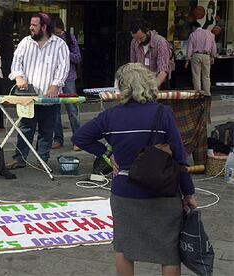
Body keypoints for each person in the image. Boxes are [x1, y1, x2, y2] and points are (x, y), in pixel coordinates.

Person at [72, 63, 198, 276]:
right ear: (148, 84)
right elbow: (179, 157)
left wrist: (106, 153)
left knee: (124, 248)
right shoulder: (163, 113)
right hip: (164, 191)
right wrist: (189, 193)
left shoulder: (111, 116)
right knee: (169, 252)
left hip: (125, 191)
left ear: (121, 87)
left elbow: (80, 137)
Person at [6, 13, 70, 169]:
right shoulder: (25, 43)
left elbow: (63, 67)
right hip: (28, 96)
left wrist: (56, 85)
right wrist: (18, 77)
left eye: (34, 25)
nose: (31, 28)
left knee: (46, 130)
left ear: (44, 27)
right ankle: (19, 158)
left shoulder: (60, 45)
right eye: (31, 24)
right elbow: (16, 64)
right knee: (25, 128)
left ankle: (42, 159)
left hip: (49, 97)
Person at [51, 17, 81, 152]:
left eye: (57, 33)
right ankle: (58, 138)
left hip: (68, 77)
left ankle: (78, 139)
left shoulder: (69, 38)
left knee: (72, 110)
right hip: (53, 78)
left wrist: (65, 52)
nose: (55, 35)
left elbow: (78, 58)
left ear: (61, 28)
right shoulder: (49, 39)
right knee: (54, 111)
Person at [130, 19, 171, 89]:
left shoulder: (160, 42)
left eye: (141, 38)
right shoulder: (134, 42)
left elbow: (163, 70)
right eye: (136, 39)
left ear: (147, 31)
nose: (139, 41)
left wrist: (153, 87)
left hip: (158, 84)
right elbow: (133, 65)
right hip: (141, 84)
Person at [184, 21, 216, 96]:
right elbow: (213, 46)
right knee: (206, 75)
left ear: (193, 27)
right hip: (206, 56)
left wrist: (187, 60)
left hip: (196, 55)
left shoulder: (193, 34)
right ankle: (207, 92)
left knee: (196, 75)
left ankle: (198, 93)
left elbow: (189, 48)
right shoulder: (210, 34)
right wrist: (213, 56)